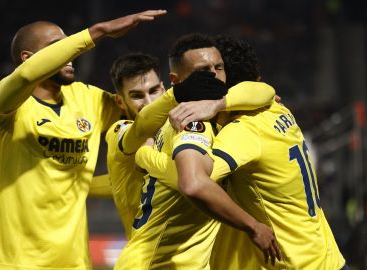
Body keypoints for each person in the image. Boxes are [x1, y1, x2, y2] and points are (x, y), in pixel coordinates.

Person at [138, 35, 347, 269]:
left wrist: (145, 156)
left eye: (218, 68)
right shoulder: (277, 109)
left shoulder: (241, 131)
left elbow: (195, 182)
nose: (214, 74)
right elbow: (264, 91)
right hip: (328, 256)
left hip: (297, 264)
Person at [0, 10, 167, 270]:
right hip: (10, 261)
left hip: (74, 262)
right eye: (58, 47)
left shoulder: (89, 99)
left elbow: (146, 111)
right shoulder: (3, 105)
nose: (70, 55)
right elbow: (24, 77)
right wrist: (98, 31)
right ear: (28, 58)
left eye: (69, 44)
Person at [115, 33, 280, 270]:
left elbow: (264, 90)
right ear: (176, 80)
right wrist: (253, 226)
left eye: (219, 67)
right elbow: (192, 183)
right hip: (158, 264)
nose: (214, 74)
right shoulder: (192, 122)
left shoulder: (215, 116)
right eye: (204, 69)